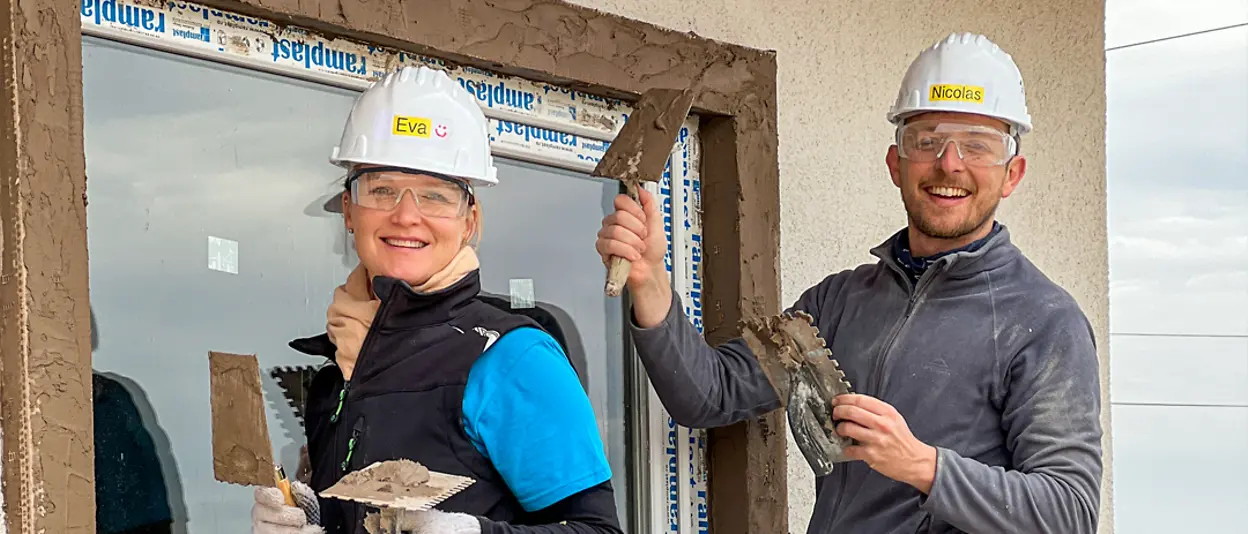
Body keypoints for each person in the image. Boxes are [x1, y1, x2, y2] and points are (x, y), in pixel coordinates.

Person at [594, 32, 1102, 534]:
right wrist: (650, 279)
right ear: (895, 164)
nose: (950, 163)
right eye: (926, 141)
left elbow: (1069, 512)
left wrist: (922, 465)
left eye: (978, 145)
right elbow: (710, 395)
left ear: (1012, 174)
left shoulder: (1043, 321)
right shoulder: (838, 302)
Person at [253, 65, 622, 534]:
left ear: (469, 221)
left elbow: (598, 531)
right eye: (382, 189)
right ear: (348, 210)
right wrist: (311, 520)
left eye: (436, 195)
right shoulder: (338, 372)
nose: (407, 215)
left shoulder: (510, 358)